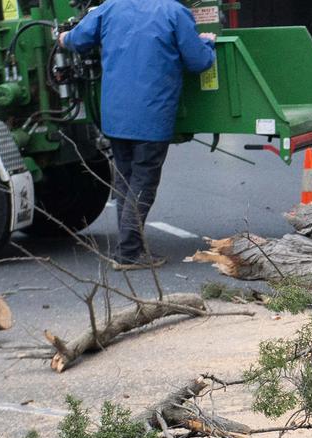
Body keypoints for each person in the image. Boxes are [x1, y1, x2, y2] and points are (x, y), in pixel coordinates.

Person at [59, 0, 217, 270]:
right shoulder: (174, 12)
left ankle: (129, 247)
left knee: (125, 180)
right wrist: (208, 43)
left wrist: (63, 37)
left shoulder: (110, 8)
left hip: (116, 114)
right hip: (151, 115)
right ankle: (129, 252)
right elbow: (198, 61)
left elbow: (76, 40)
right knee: (143, 181)